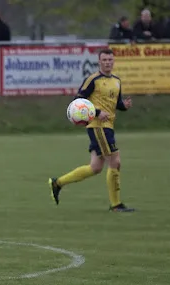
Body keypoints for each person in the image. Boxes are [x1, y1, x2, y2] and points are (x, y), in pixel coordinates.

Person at [48, 49, 134, 212]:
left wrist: (124, 106)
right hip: (98, 126)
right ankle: (116, 205)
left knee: (95, 167)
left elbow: (116, 104)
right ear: (99, 62)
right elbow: (77, 100)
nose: (108, 62)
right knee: (115, 161)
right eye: (105, 60)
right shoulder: (92, 80)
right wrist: (97, 112)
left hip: (108, 126)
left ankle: (57, 183)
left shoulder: (116, 81)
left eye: (110, 59)